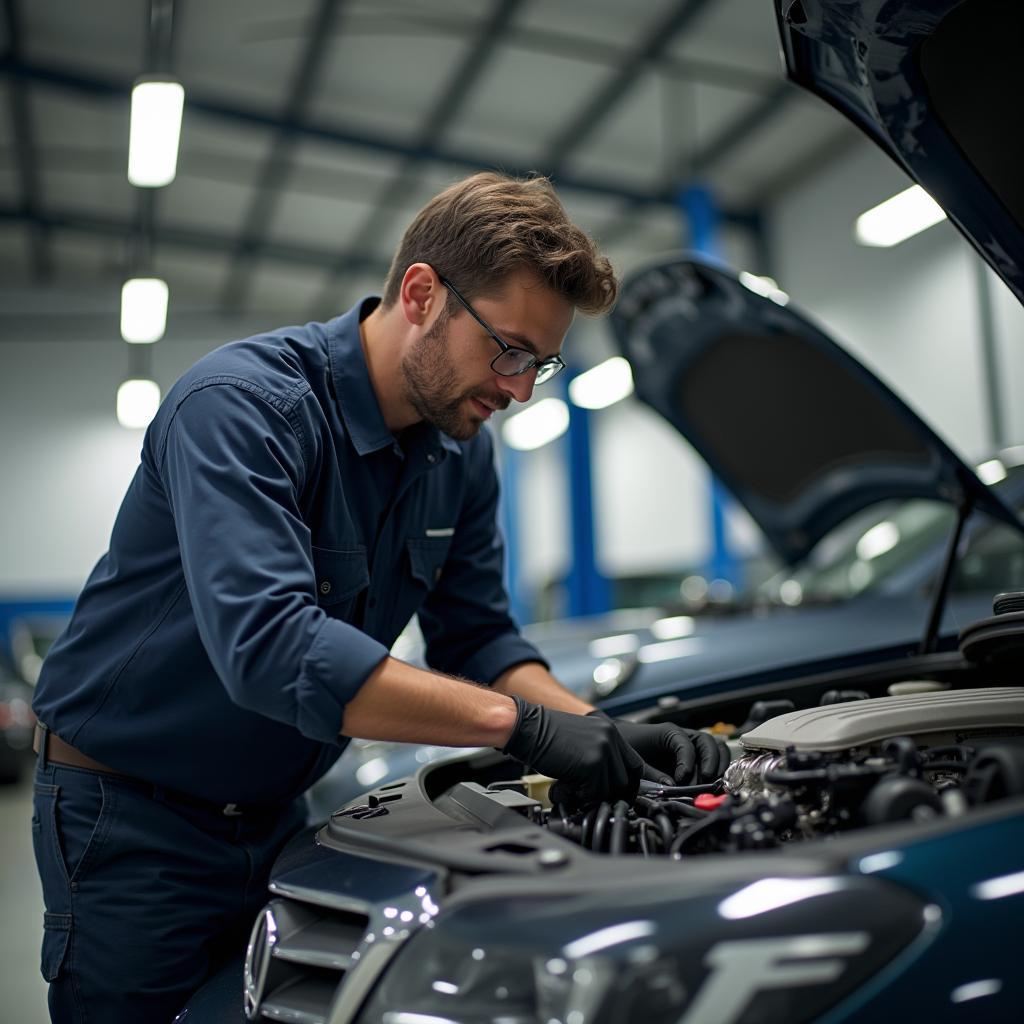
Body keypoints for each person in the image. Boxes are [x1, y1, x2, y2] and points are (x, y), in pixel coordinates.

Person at [30, 172, 724, 1022]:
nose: (519, 391)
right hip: (133, 819)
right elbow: (273, 652)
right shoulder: (244, 408)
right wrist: (529, 733)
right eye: (508, 350)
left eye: (538, 363)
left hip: (283, 813)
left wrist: (592, 728)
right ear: (422, 293)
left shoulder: (458, 453)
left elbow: (479, 638)